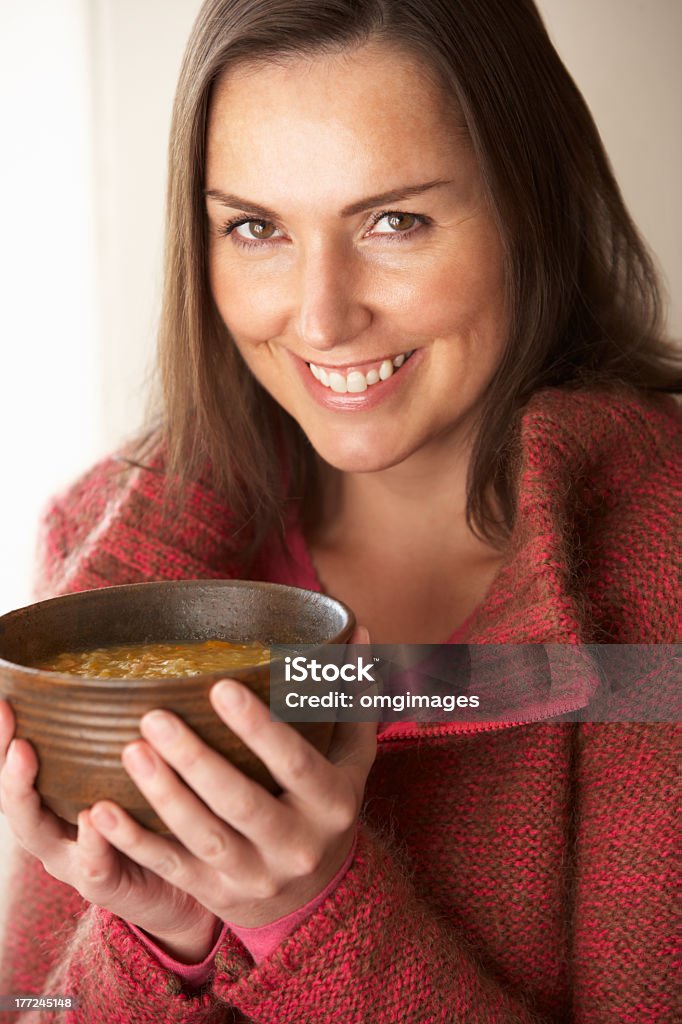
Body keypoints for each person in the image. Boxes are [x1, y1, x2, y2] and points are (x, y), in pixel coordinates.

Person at [0, 0, 679, 1021]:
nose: (319, 315)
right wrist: (171, 932)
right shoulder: (101, 552)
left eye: (393, 220)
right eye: (255, 227)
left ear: (529, 207)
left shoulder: (659, 585)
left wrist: (304, 913)